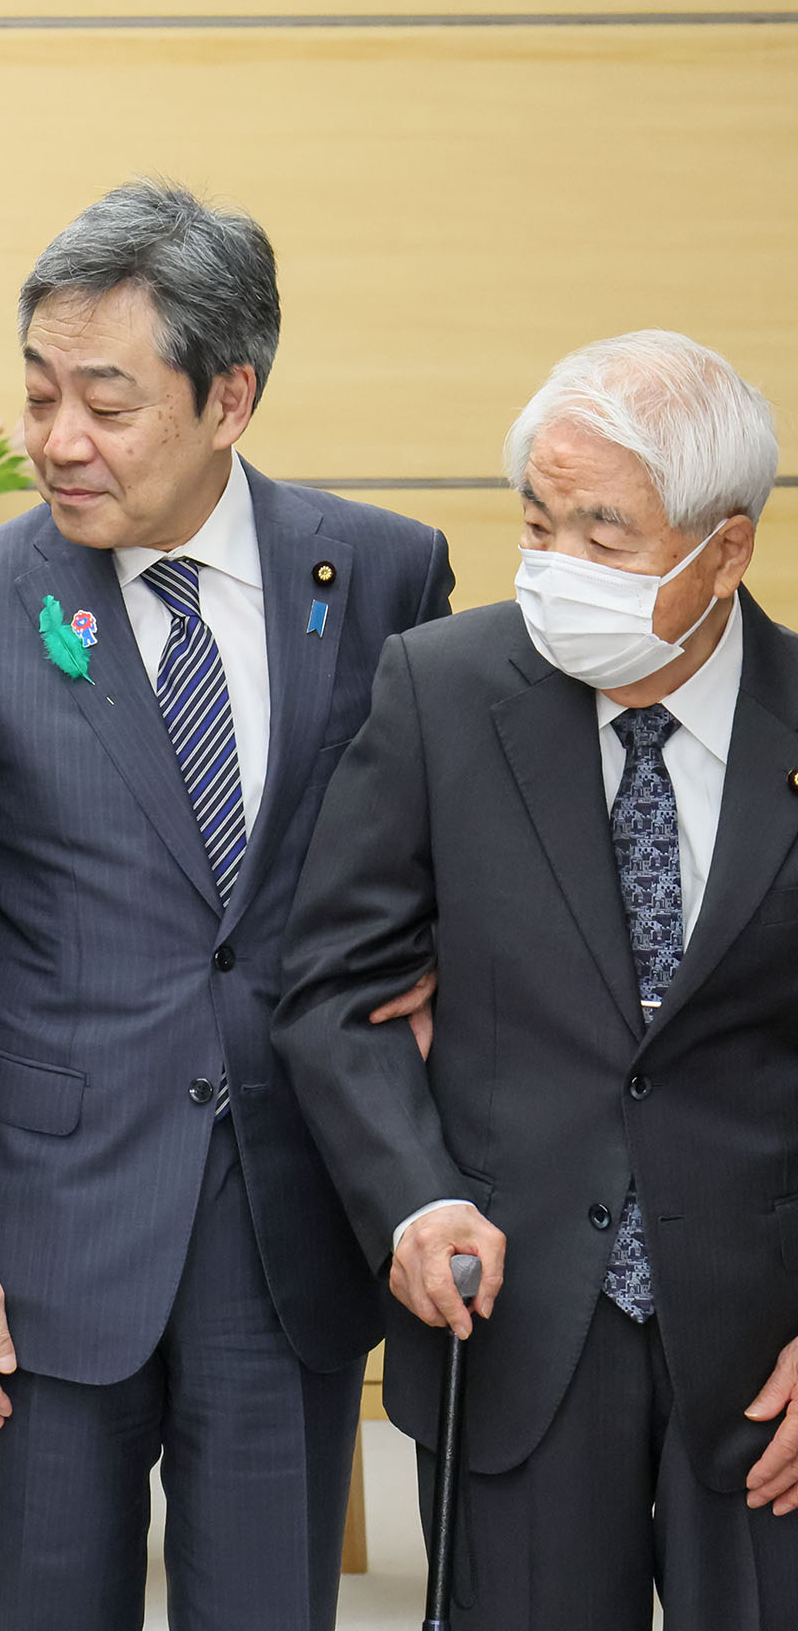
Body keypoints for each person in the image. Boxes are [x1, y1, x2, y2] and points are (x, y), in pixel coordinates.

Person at [0, 179, 456, 1629]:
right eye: (40, 393)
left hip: (290, 1220)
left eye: (108, 403)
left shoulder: (380, 573)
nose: (59, 441)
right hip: (44, 1238)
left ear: (229, 396)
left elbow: (435, 872)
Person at [277, 331, 798, 1629]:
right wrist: (411, 1198)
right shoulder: (442, 690)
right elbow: (333, 986)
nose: (559, 566)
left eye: (606, 534)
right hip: (509, 1326)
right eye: (538, 523)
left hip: (767, 1344)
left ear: (724, 548)